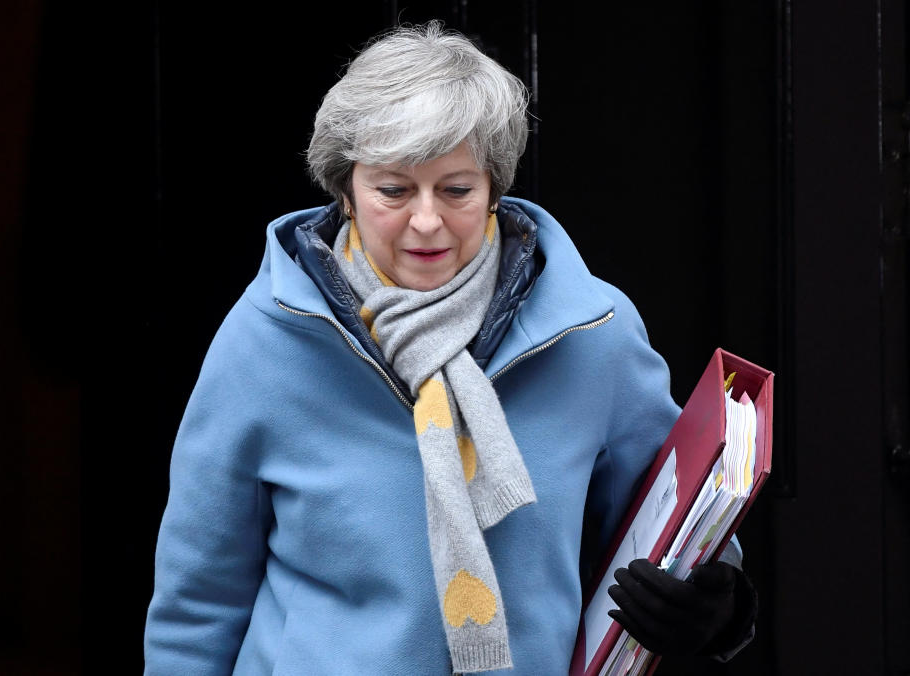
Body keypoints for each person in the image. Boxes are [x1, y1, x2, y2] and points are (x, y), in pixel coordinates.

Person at [143, 21, 757, 675]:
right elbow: (197, 607)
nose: (427, 220)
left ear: (494, 186)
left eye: (457, 189)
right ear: (345, 192)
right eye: (394, 190)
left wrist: (715, 609)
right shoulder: (264, 340)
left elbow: (680, 523)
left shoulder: (591, 332)